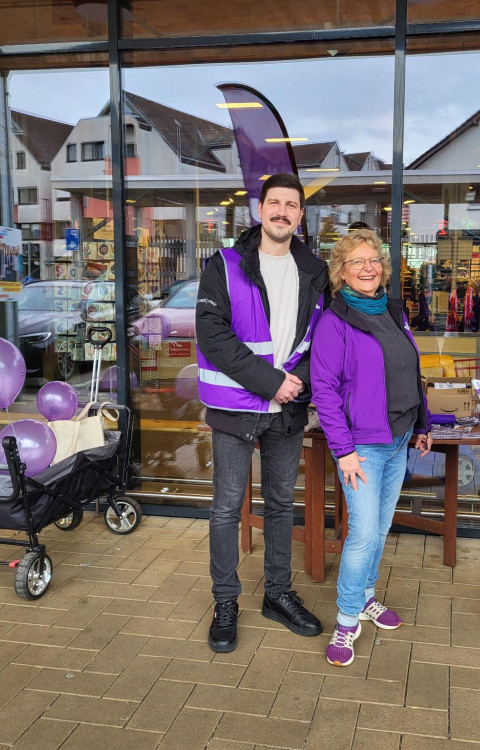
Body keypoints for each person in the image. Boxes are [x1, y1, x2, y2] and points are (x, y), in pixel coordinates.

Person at [195, 173, 328, 653]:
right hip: (236, 407)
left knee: (280, 505)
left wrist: (300, 383)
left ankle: (277, 594)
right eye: (275, 203)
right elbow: (213, 334)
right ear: (260, 209)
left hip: (287, 410)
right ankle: (225, 601)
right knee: (227, 508)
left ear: (300, 215)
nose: (282, 212)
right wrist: (272, 382)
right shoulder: (224, 264)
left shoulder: (315, 270)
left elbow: (323, 337)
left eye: (291, 205)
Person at [310, 228, 433, 667]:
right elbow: (324, 391)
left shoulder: (394, 311)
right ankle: (347, 620)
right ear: (341, 273)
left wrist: (422, 424)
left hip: (399, 439)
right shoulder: (334, 321)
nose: (368, 268)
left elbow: (411, 373)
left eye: (374, 260)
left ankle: (365, 596)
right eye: (357, 262)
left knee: (379, 529)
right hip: (362, 446)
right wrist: (343, 450)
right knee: (362, 534)